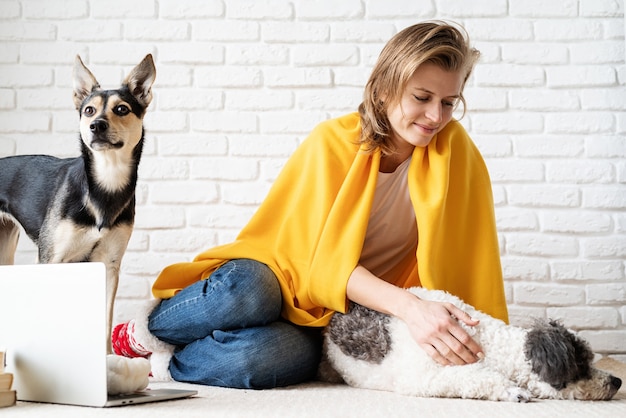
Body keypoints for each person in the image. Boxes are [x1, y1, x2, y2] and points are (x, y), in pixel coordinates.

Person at [112, 20, 509, 390]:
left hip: (336, 315)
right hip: (278, 279)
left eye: (449, 102)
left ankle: (162, 363)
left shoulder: (457, 154)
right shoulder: (333, 143)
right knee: (247, 292)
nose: (436, 116)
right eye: (422, 97)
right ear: (385, 88)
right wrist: (411, 308)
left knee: (257, 359)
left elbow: (473, 259)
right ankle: (143, 333)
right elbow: (318, 266)